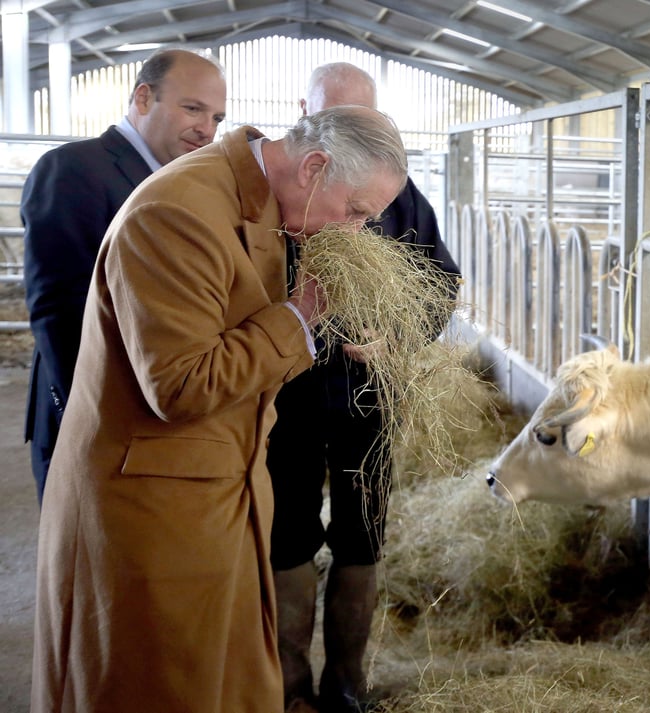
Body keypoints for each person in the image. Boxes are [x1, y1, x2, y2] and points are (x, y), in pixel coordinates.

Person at [31, 106, 409, 713]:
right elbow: (179, 384)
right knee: (153, 684)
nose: (357, 231)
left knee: (217, 681)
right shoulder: (177, 213)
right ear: (313, 167)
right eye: (358, 211)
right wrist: (299, 319)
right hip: (150, 503)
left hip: (214, 491)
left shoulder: (256, 204)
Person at [267, 62, 461, 713]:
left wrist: (398, 337)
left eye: (372, 119)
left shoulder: (397, 193)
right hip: (284, 396)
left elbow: (440, 283)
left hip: (366, 394)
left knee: (362, 533)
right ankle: (289, 680)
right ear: (308, 114)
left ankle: (345, 678)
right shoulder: (279, 191)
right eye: (345, 118)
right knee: (284, 532)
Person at [21, 47, 227, 504]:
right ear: (142, 97)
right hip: (94, 412)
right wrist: (88, 415)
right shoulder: (75, 168)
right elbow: (58, 307)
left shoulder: (186, 182)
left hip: (154, 412)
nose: (207, 129)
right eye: (192, 108)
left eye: (217, 117)